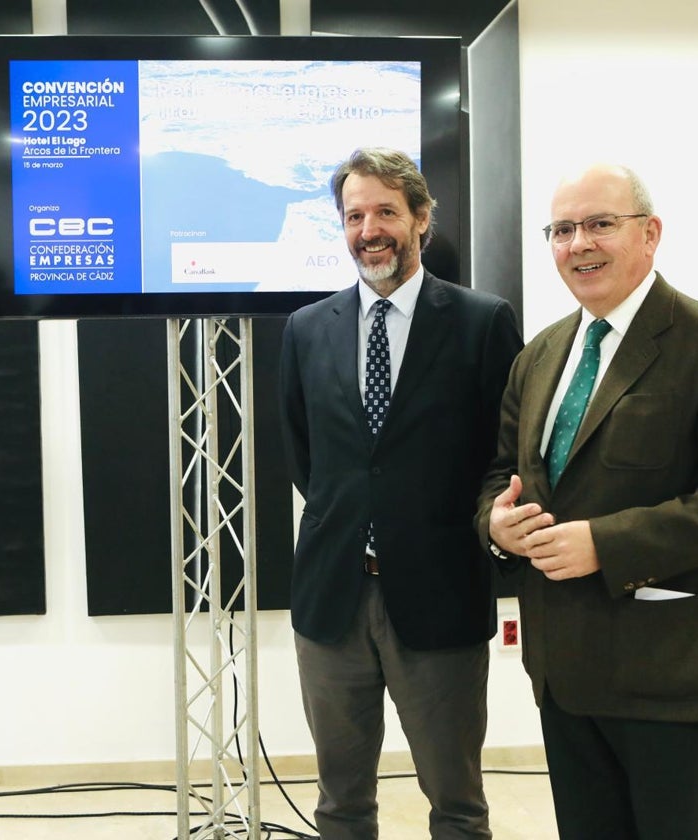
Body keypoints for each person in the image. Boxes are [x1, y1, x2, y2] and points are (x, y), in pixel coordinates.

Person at [477, 163, 698, 839]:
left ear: (650, 235)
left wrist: (605, 544)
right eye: (562, 229)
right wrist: (499, 526)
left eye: (599, 224)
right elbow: (499, 475)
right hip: (564, 672)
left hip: (670, 673)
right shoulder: (540, 357)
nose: (579, 243)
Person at [279, 147, 523, 839]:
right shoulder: (305, 331)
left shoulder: (483, 322)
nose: (369, 229)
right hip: (331, 602)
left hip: (440, 597)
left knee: (457, 804)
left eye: (386, 211)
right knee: (340, 805)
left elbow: (503, 457)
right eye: (354, 215)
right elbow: (309, 458)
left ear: (421, 219)